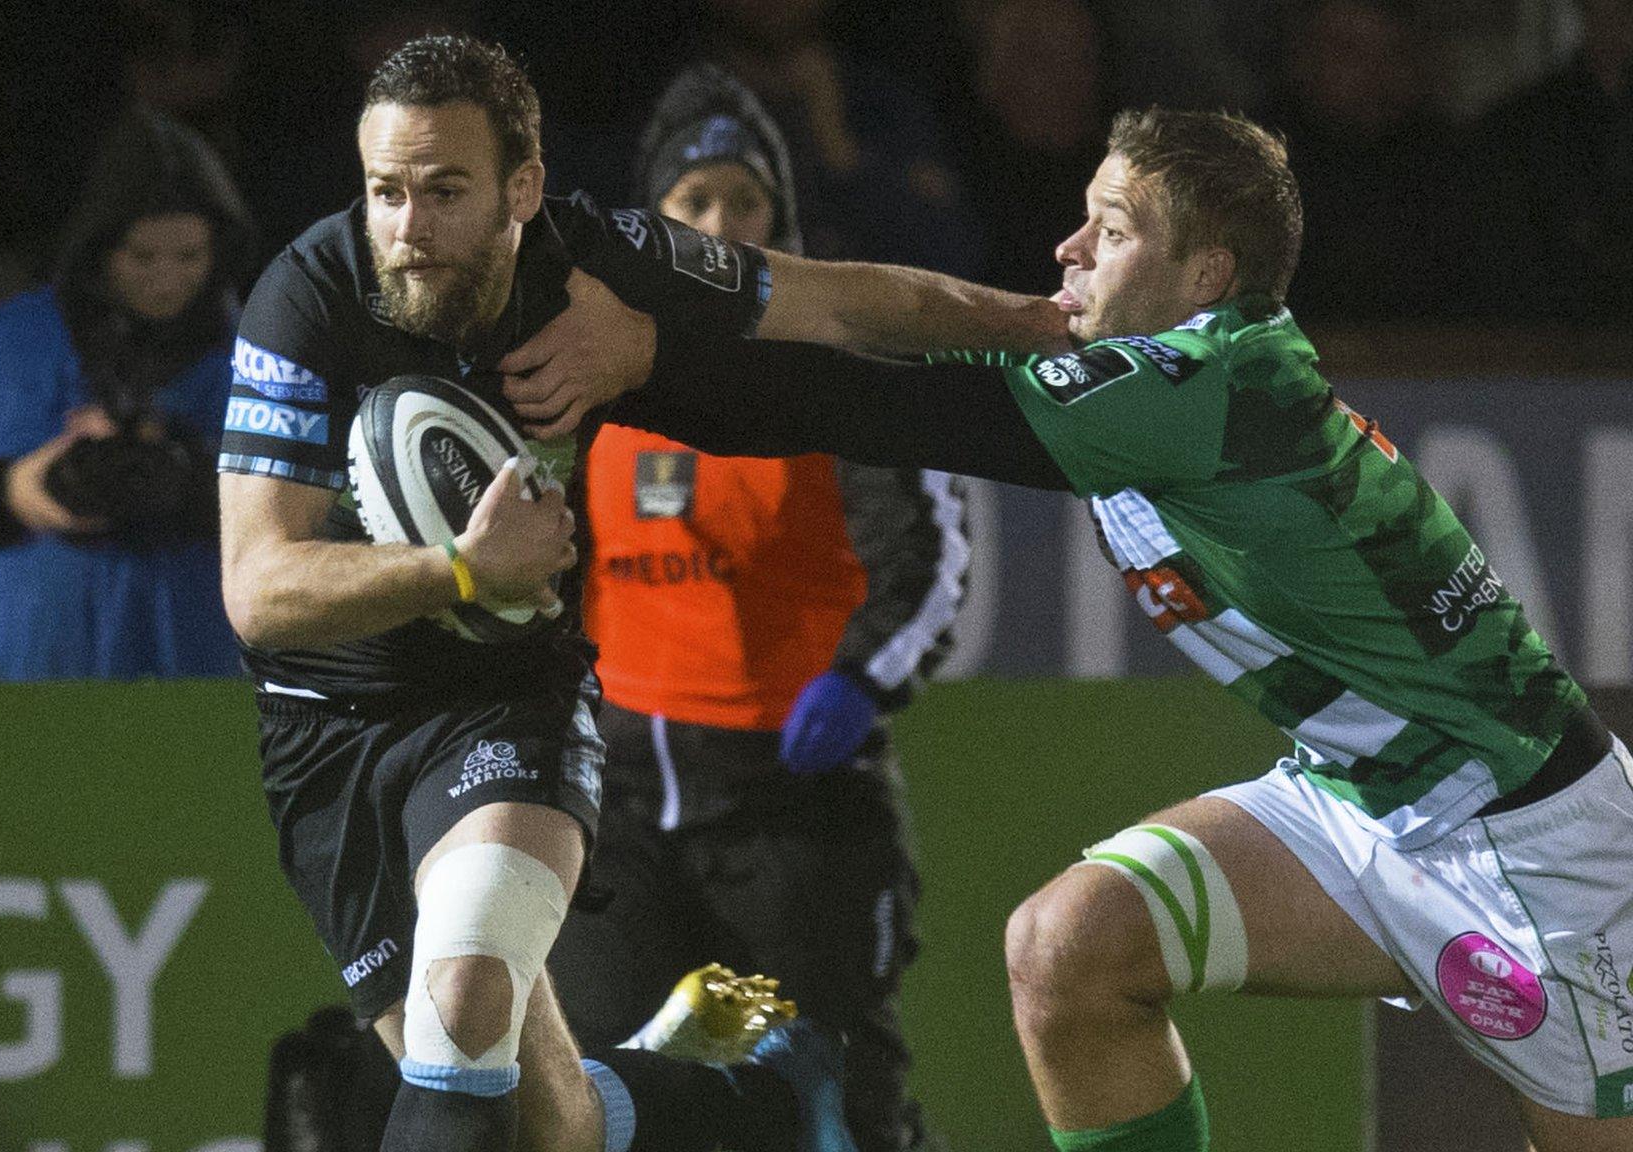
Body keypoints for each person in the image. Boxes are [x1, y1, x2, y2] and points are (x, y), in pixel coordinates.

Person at [496, 107, 1633, 1151]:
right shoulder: (1129, 369)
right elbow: (852, 313)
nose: (1065, 252)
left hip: (1533, 846)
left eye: (1110, 229)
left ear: (1206, 273)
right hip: (1352, 799)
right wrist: (613, 261)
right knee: (1069, 949)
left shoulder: (1207, 385)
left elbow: (855, 405)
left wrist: (636, 358)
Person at [218, 32, 903, 1152]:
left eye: (444, 190)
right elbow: (256, 593)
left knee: (458, 1029)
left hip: (530, 717)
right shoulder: (305, 293)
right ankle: (748, 1098)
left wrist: (1031, 329)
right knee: (549, 1122)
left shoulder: (597, 278)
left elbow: (846, 309)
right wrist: (457, 570)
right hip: (332, 737)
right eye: (386, 190)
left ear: (519, 188)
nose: (408, 224)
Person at [543, 64, 956, 1152]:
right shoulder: (589, 368)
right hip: (621, 813)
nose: (721, 226)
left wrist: (862, 679)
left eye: (745, 203)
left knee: (828, 1105)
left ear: (780, 218)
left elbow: (925, 557)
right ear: (653, 220)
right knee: (598, 1103)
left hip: (793, 808)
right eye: (694, 204)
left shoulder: (841, 362)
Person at [0, 107, 257, 681]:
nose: (167, 277)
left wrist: (189, 477)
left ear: (219, 251)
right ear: (103, 252)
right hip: (20, 687)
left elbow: (331, 527)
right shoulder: (4, 340)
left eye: (189, 256)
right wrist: (8, 490)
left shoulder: (263, 362)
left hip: (198, 690)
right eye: (144, 256)